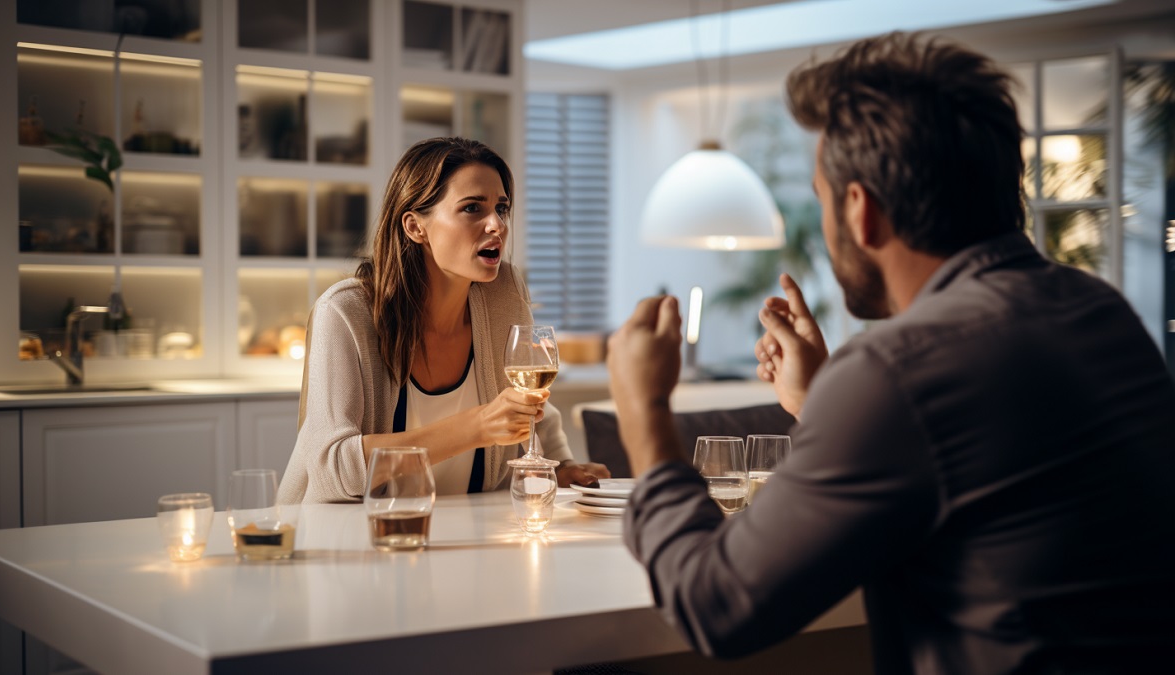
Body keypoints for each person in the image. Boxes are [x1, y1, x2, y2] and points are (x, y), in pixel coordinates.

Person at [607, 32, 1175, 673]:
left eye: (821, 197)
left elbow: (716, 605)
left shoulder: (900, 371)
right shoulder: (1098, 309)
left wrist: (644, 411)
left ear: (861, 210)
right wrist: (824, 402)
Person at [279, 137, 608, 504]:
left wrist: (560, 465)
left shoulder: (504, 294)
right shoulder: (344, 313)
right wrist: (477, 426)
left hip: (466, 533)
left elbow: (532, 407)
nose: (496, 225)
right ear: (415, 227)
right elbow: (332, 471)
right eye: (472, 208)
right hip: (342, 540)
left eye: (502, 208)